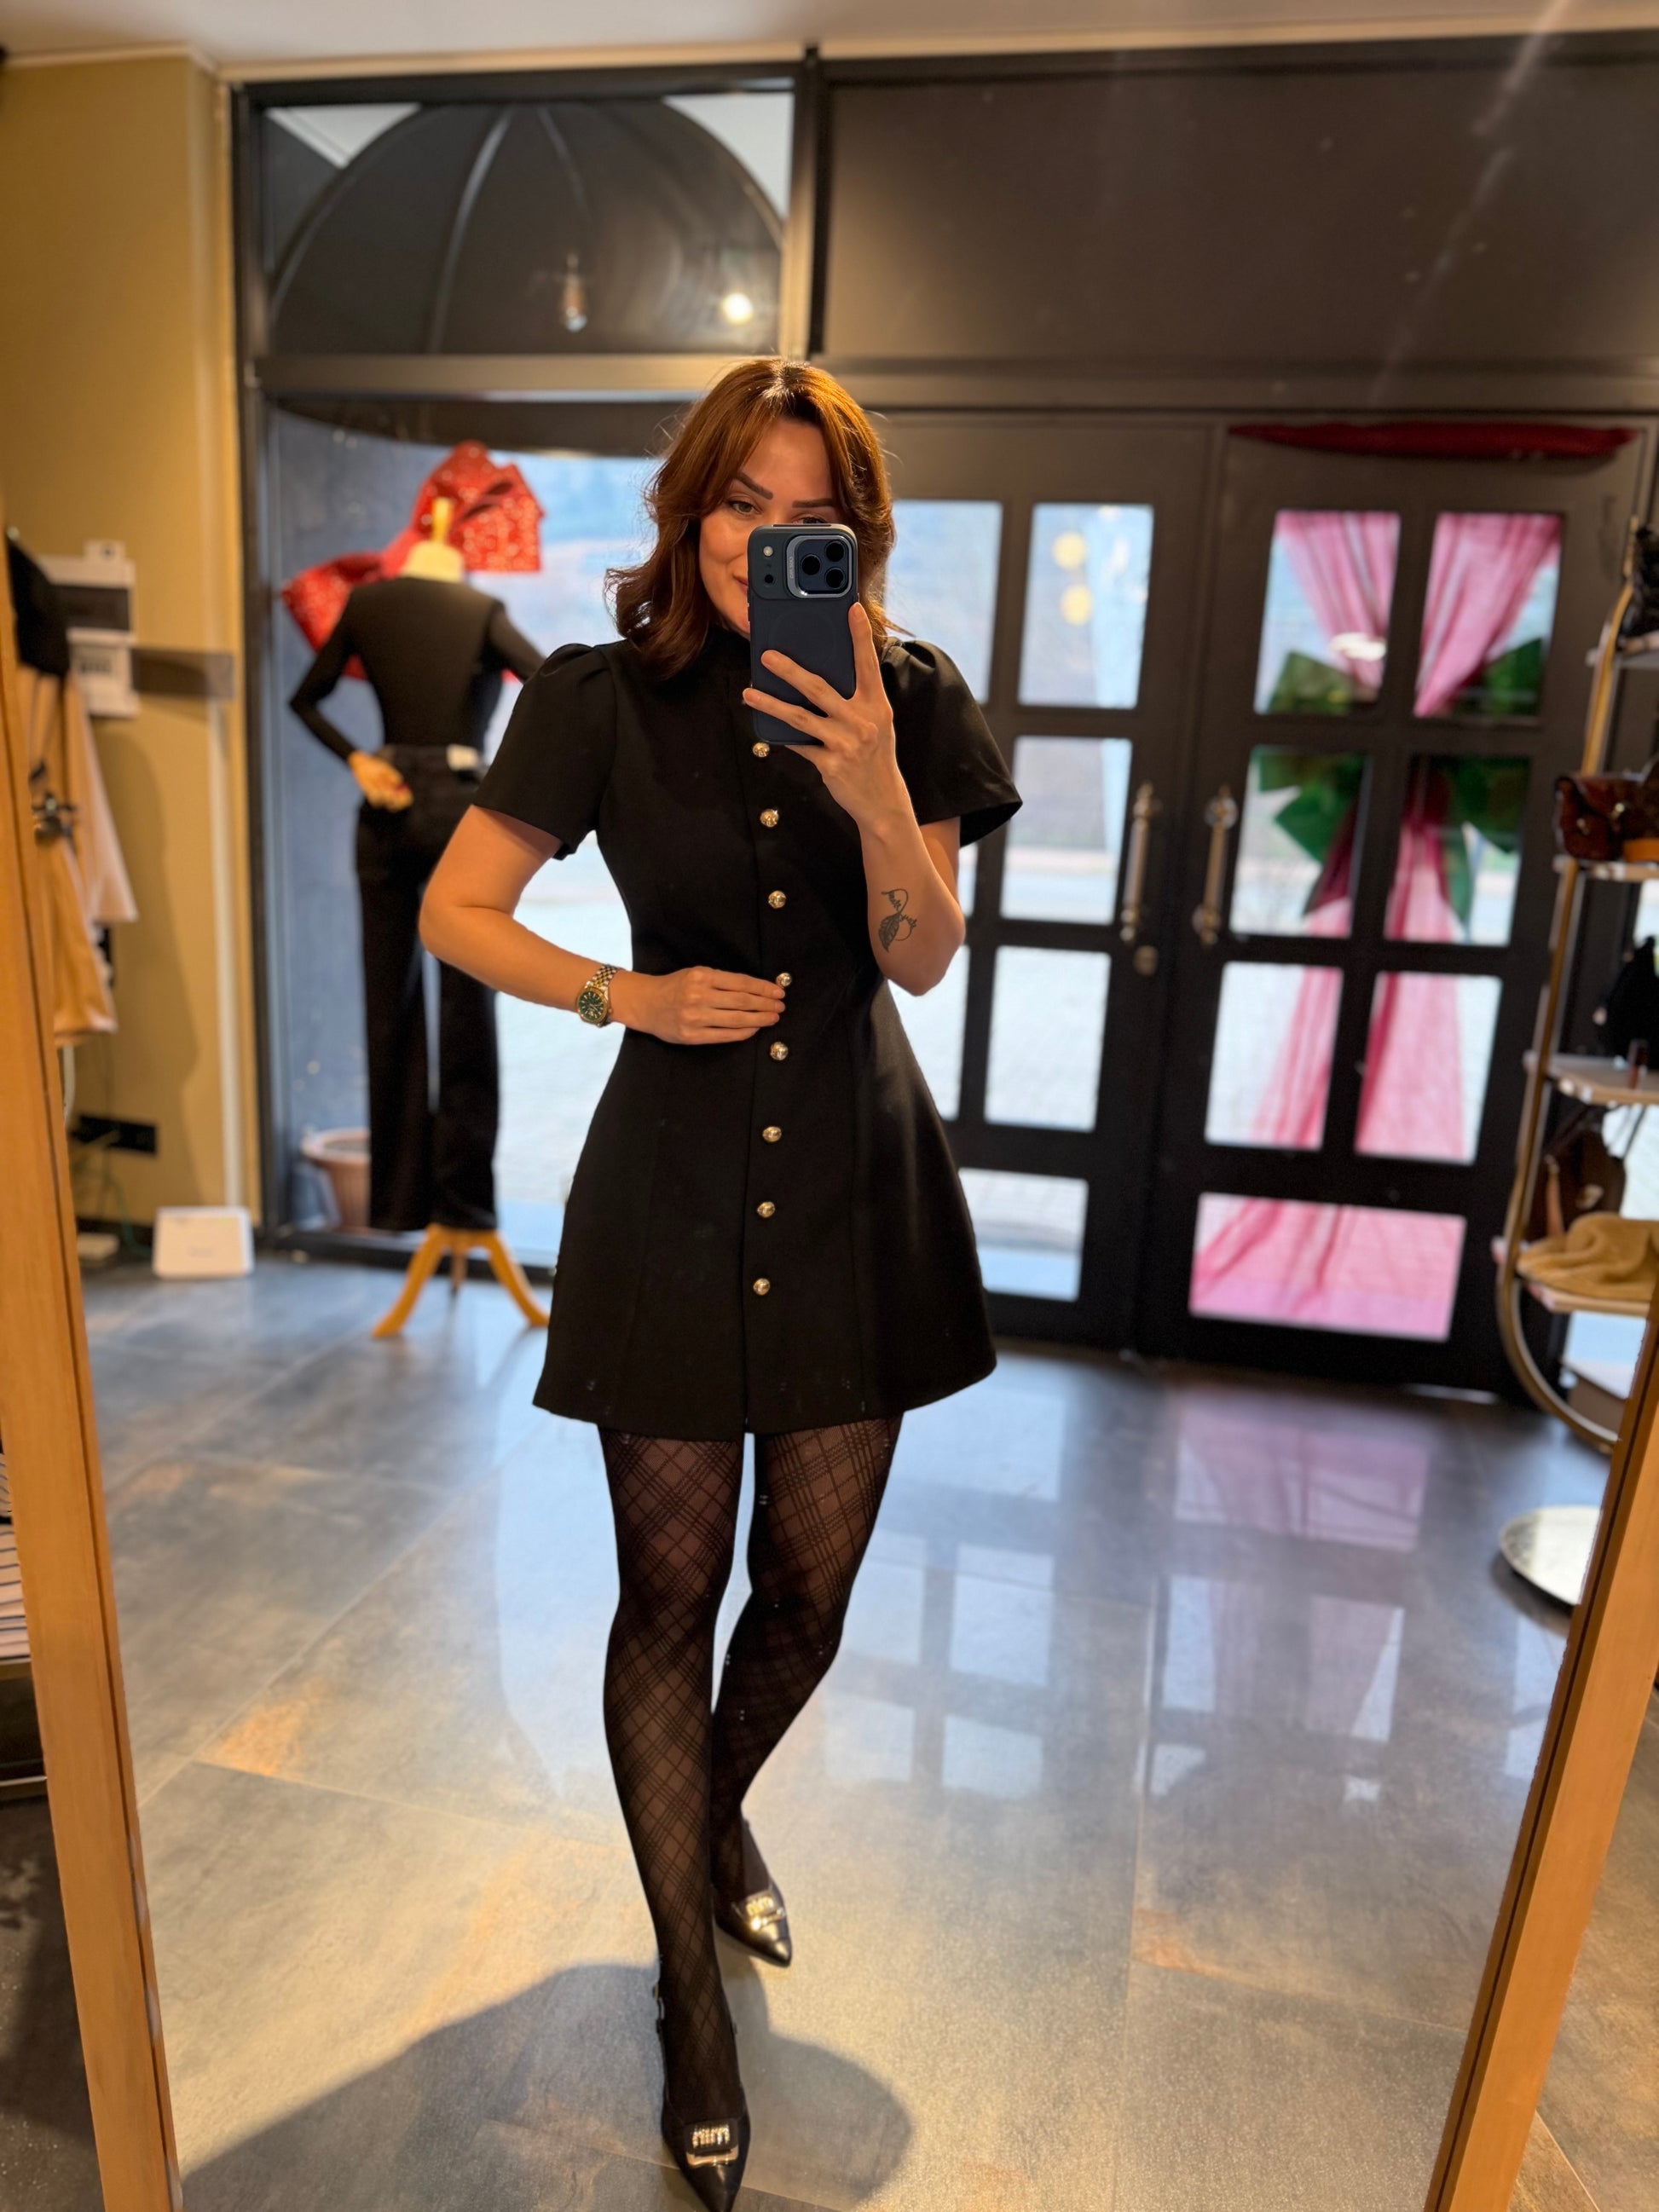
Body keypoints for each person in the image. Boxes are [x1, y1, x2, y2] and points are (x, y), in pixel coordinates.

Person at [419, 356, 1020, 2208]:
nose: (767, 540)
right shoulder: (596, 698)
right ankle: (689, 1990)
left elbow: (921, 959)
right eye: (738, 504)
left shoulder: (911, 697)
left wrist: (875, 790)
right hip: (669, 1188)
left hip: (854, 1181)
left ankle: (712, 1810)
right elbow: (458, 907)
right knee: (665, 1596)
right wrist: (621, 992)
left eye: (806, 514)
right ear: (689, 513)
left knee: (808, 1596)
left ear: (858, 535)